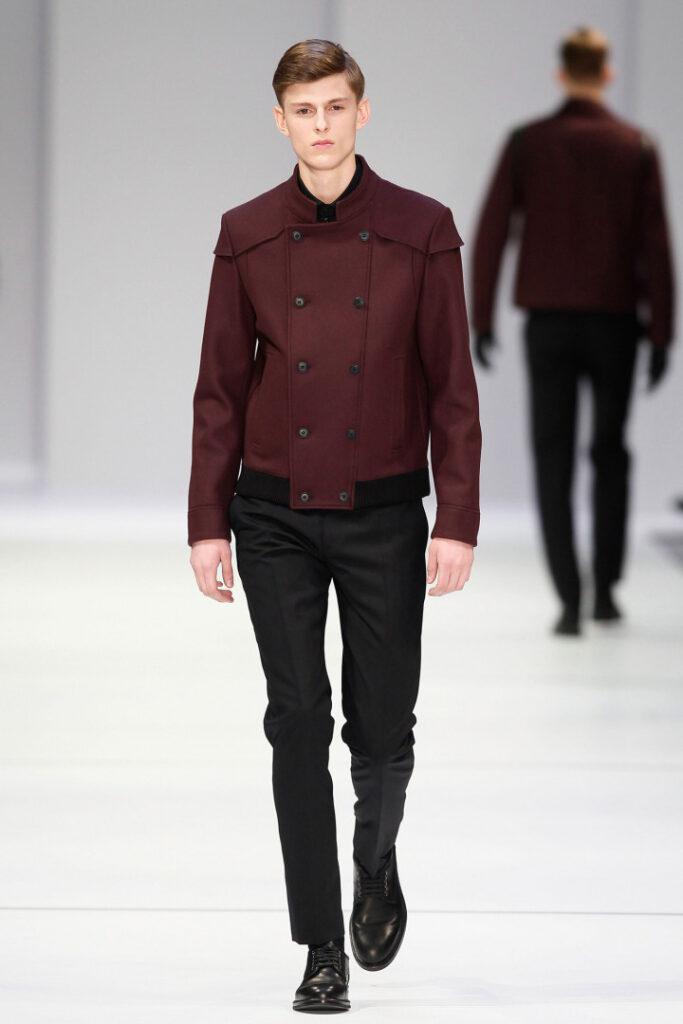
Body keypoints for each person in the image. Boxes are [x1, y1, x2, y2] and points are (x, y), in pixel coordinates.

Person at [187, 38, 481, 1013]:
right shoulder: (245, 231)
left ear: (362, 111)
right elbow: (219, 387)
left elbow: (452, 386)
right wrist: (206, 519)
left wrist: (456, 517)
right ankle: (320, 946)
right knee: (296, 722)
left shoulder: (420, 228)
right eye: (303, 110)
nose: (320, 125)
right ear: (280, 121)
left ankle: (375, 856)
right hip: (271, 511)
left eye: (334, 107)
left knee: (383, 727)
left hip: (386, 510)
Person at [470, 26, 675, 636]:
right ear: (608, 73)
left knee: (552, 455)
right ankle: (605, 592)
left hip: (549, 324)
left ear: (561, 74)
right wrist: (662, 331)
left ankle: (568, 599)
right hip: (616, 322)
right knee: (609, 451)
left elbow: (491, 233)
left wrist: (482, 317)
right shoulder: (635, 146)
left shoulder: (527, 143)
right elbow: (656, 245)